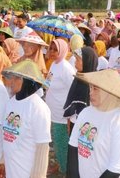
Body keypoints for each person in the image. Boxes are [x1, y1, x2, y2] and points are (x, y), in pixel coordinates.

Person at [67, 69, 120, 177]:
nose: (90, 93)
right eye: (90, 87)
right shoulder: (86, 112)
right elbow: (73, 146)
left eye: (95, 89)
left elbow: (115, 170)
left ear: (109, 92)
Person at [0, 60, 51, 178]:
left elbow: (42, 147)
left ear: (27, 81)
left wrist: (38, 176)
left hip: (27, 172)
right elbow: (5, 135)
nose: (11, 81)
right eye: (12, 77)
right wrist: (3, 162)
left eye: (17, 78)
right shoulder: (10, 103)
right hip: (12, 170)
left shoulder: (38, 108)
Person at [45, 39, 76, 176]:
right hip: (52, 112)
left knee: (61, 144)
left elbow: (74, 92)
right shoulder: (54, 64)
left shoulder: (66, 68)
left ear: (62, 50)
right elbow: (48, 83)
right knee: (57, 143)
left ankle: (65, 171)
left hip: (62, 115)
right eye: (50, 49)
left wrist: (70, 116)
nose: (51, 52)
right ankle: (60, 164)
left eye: (54, 49)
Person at [63, 47, 99, 127]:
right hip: (74, 121)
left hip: (87, 125)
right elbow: (72, 99)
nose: (75, 62)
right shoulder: (78, 77)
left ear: (87, 62)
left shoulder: (94, 84)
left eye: (78, 60)